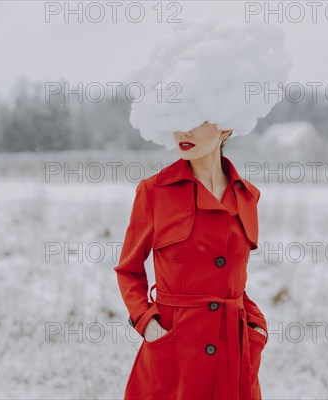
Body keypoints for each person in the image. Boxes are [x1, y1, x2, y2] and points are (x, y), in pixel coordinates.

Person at [114, 120, 269, 400]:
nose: (184, 132)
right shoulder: (154, 191)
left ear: (225, 128)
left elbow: (234, 275)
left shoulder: (248, 196)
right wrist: (147, 323)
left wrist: (256, 326)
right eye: (177, 122)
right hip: (175, 348)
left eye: (196, 123)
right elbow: (129, 269)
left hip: (232, 349)